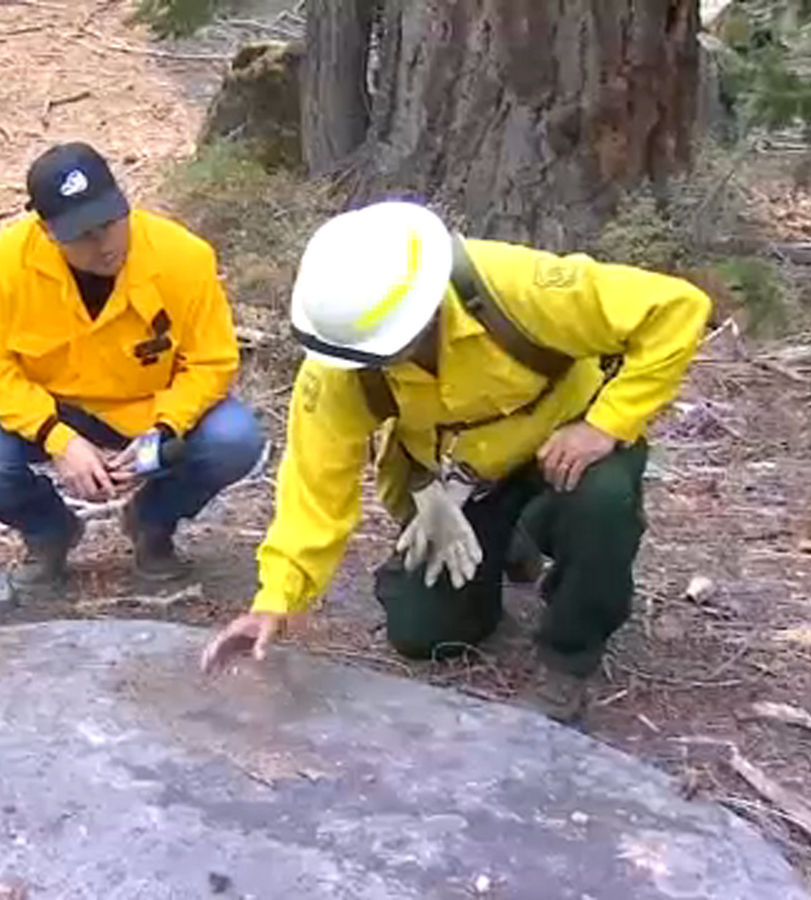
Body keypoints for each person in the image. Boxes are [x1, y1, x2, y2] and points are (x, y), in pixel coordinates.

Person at [200, 201, 711, 723]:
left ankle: (567, 659)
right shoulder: (341, 364)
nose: (374, 366)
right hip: (464, 485)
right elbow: (314, 487)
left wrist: (605, 424)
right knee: (422, 634)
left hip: (566, 454)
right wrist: (275, 602)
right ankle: (513, 544)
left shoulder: (516, 287)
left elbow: (675, 309)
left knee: (603, 502)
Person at [0, 142, 265, 592]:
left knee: (235, 437)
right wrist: (58, 440)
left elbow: (212, 361)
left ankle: (153, 523)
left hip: (147, 410)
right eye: (83, 235)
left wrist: (164, 428)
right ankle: (48, 532)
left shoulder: (184, 257)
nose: (105, 244)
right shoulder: (4, 264)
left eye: (111, 223)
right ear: (47, 230)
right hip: (53, 411)